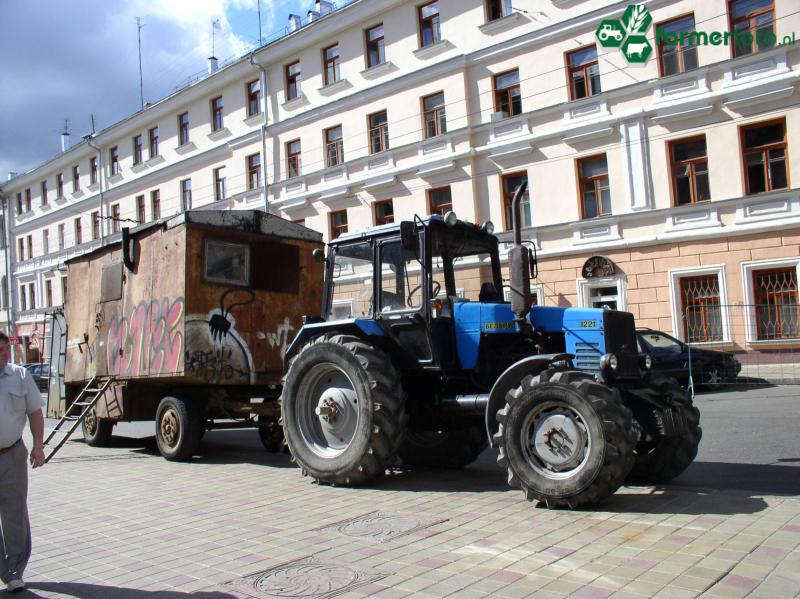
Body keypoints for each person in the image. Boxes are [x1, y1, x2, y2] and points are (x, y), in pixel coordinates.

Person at [0, 332, 45, 593]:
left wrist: (38, 446)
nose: (4, 354)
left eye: (6, 349)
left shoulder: (20, 375)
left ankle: (15, 569)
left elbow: (35, 413)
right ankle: (2, 570)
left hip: (12, 454)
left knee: (14, 515)